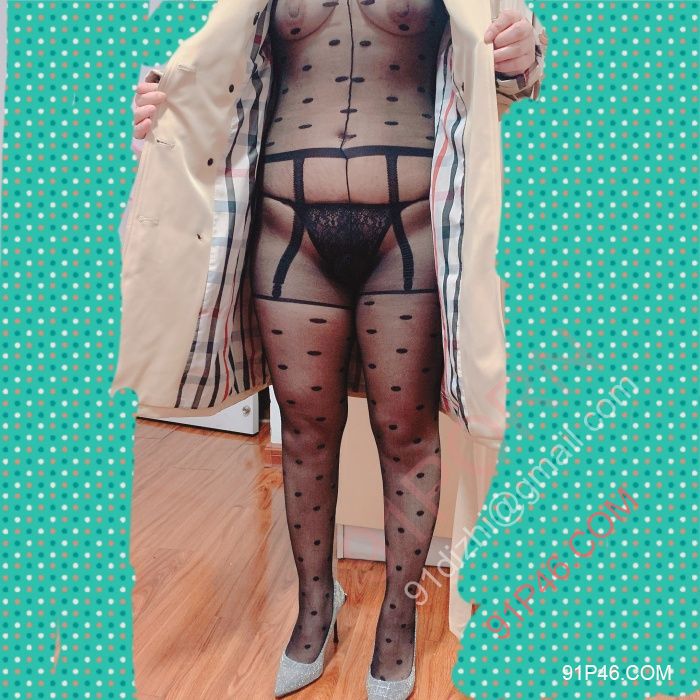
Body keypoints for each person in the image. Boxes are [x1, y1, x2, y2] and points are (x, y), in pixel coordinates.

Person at [127, 1, 544, 697]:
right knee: (304, 434)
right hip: (286, 233)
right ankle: (315, 611)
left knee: (407, 435)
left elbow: (510, 68)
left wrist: (525, 53)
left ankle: (397, 625)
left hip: (410, 232)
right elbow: (202, 65)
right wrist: (158, 105)